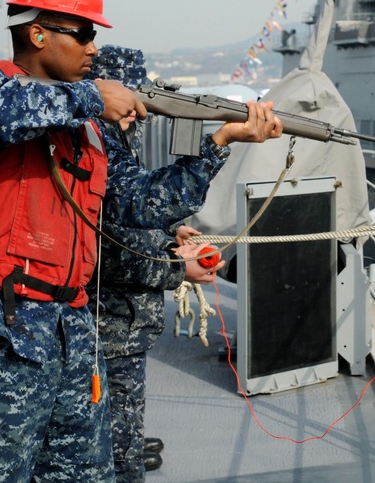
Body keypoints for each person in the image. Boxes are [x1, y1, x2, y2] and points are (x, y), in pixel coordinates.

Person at [0, 0, 282, 482]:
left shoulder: (87, 132)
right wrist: (95, 96)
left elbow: (137, 204)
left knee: (89, 474)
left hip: (72, 332)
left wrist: (220, 143)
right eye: (84, 32)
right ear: (37, 32)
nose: (94, 48)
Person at [85, 46, 225, 481]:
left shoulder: (116, 135)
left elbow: (125, 217)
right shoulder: (96, 140)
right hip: (105, 329)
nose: (135, 112)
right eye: (127, 101)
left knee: (119, 432)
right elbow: (104, 252)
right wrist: (178, 270)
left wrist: (167, 237)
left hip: (123, 327)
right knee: (111, 454)